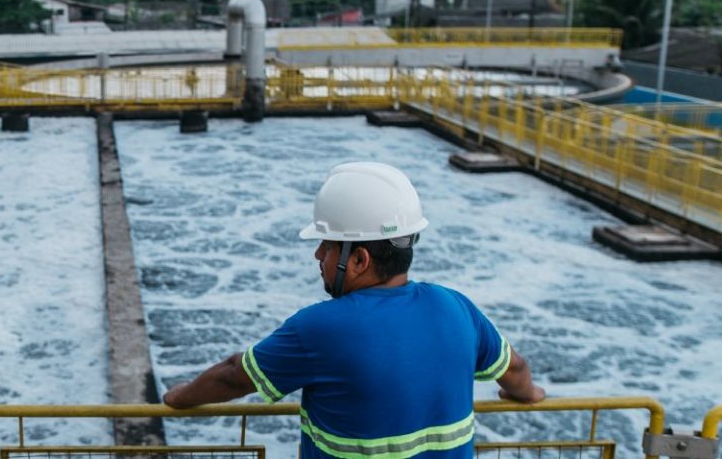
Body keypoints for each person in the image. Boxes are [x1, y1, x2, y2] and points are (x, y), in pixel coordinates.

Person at [162, 161, 544, 459]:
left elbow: (233, 376)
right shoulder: (456, 306)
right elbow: (515, 369)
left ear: (359, 259)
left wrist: (178, 397)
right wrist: (529, 395)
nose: (318, 255)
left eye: (326, 246)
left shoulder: (322, 328)